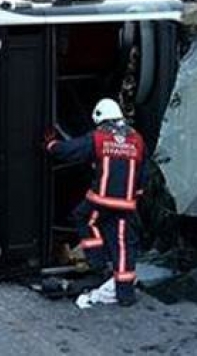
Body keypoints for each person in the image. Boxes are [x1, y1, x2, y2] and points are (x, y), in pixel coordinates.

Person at [45, 98, 147, 307]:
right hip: (126, 204)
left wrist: (51, 145)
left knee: (83, 219)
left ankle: (97, 263)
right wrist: (135, 195)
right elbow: (143, 173)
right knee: (123, 244)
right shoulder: (136, 140)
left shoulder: (99, 137)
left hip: (100, 200)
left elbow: (70, 151)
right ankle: (126, 294)